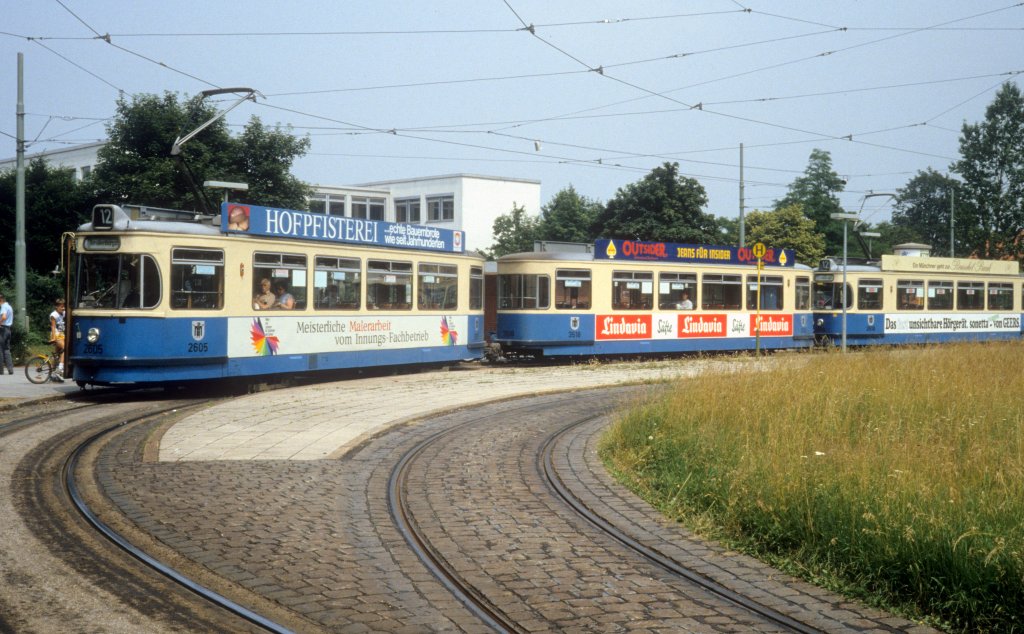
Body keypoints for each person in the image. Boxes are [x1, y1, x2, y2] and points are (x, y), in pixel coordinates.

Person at [49, 298, 66, 381]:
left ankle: (52, 373)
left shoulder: (63, 313)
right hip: (56, 335)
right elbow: (53, 326)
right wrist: (53, 338)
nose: (63, 308)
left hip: (62, 335)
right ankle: (60, 369)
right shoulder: (54, 315)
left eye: (64, 306)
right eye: (61, 307)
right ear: (56, 307)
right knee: (64, 349)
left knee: (57, 355)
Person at [0, 293, 13, 374]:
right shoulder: (9, 306)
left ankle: (0, 370)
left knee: (0, 349)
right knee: (6, 349)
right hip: (8, 329)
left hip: (3, 329)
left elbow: (4, 317)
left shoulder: (4, 307)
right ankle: (10, 369)